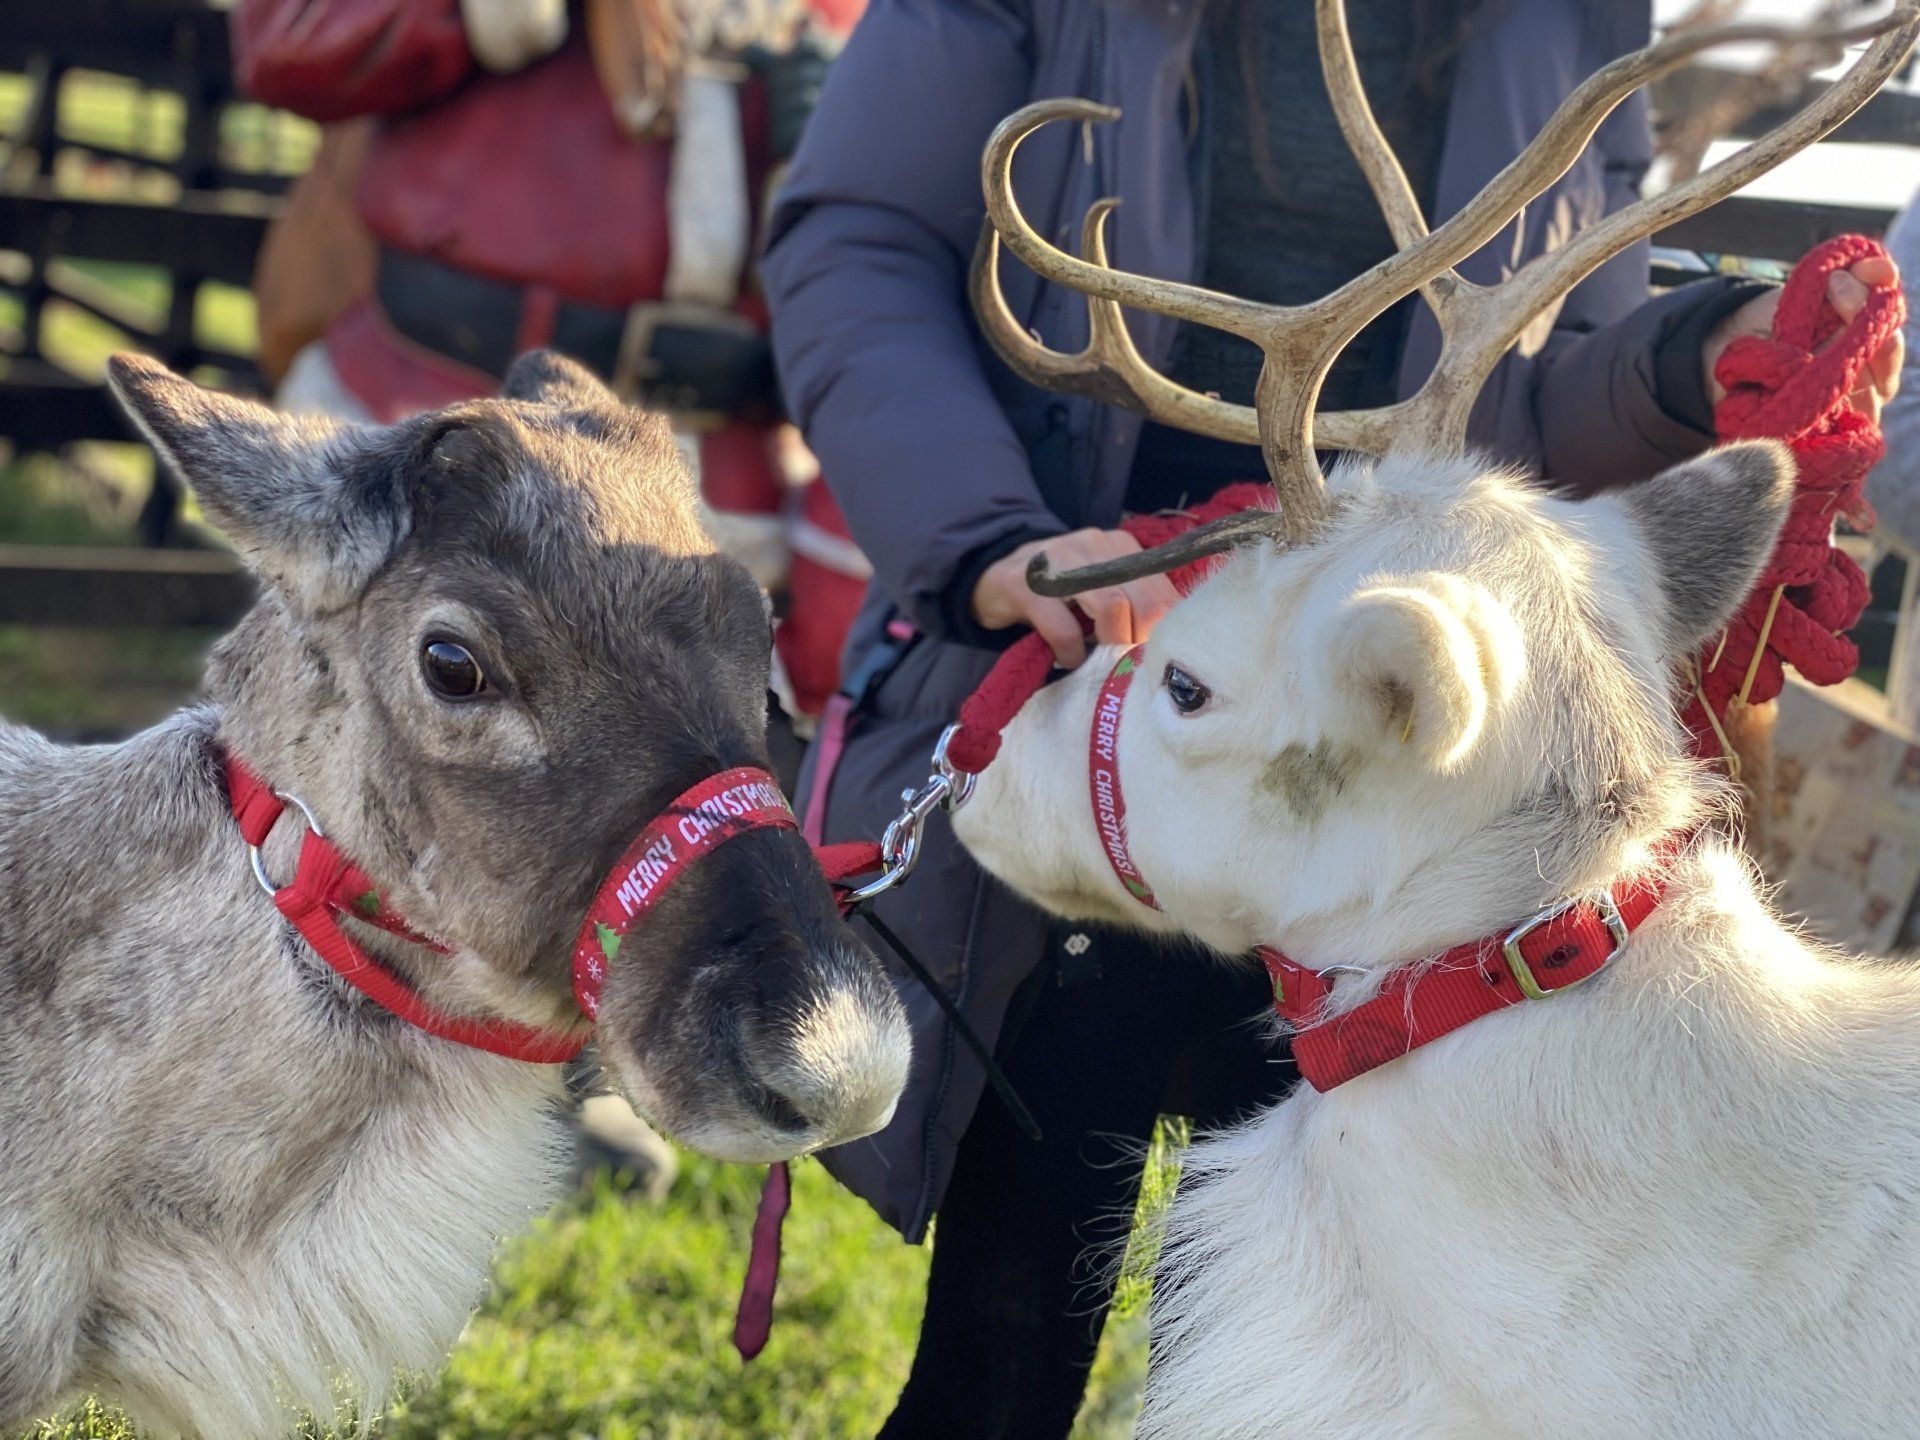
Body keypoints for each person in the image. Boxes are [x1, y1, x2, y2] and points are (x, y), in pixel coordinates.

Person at [762, 2, 1903, 1435]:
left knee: (1320, 1342)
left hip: (1388, 746)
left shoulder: (1571, 17)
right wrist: (986, 536)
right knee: (1011, 1318)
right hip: (1106, 657)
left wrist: (1693, 361)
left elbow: (1546, 402)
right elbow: (857, 246)